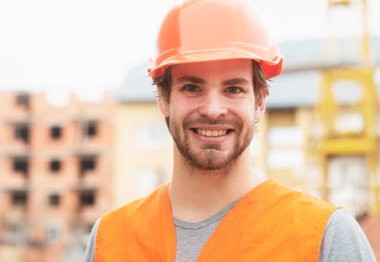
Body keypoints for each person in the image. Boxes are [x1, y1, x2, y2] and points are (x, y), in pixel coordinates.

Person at [84, 0, 376, 261]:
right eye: (192, 87)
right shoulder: (110, 241)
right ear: (163, 98)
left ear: (260, 102)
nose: (213, 109)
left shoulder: (324, 238)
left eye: (233, 88)